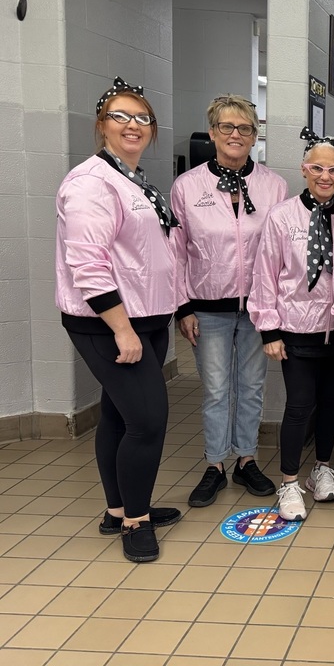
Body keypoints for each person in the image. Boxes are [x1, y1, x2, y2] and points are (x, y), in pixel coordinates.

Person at [56, 77, 183, 562]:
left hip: (146, 314)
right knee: (149, 421)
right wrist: (122, 328)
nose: (133, 126)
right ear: (101, 125)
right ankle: (136, 521)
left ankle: (118, 509)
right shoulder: (90, 182)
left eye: (142, 118)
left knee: (118, 413)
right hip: (109, 321)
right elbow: (86, 263)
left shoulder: (132, 178)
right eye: (121, 117)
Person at [172, 94, 288, 508]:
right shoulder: (187, 187)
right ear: (213, 134)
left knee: (252, 387)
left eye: (244, 128)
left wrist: (275, 309)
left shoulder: (274, 186)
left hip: (258, 309)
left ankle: (246, 458)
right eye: (227, 127)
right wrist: (182, 307)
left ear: (255, 136)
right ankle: (215, 464)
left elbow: (280, 252)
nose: (235, 135)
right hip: (209, 306)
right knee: (217, 390)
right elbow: (176, 250)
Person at [249, 129, 334, 521]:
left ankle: (322, 468)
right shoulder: (282, 216)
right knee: (299, 405)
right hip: (295, 328)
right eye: (317, 168)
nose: (325, 176)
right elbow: (265, 274)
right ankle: (288, 482)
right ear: (304, 170)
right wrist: (269, 329)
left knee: (330, 404)